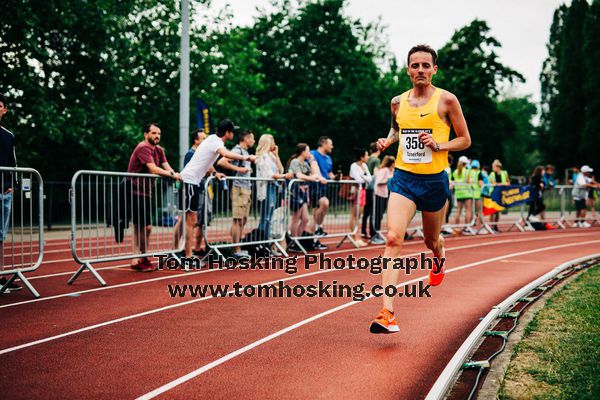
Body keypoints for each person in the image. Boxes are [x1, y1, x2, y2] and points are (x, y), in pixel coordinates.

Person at [370, 44, 471, 334]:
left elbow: (465, 139)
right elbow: (396, 129)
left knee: (430, 240)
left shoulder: (447, 100)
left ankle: (439, 257)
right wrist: (387, 141)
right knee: (392, 238)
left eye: (426, 66)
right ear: (408, 70)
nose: (420, 71)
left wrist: (440, 145)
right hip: (404, 179)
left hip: (434, 181)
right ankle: (387, 313)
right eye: (415, 66)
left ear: (434, 70)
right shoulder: (397, 102)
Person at [179, 119, 255, 258]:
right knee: (190, 221)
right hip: (189, 181)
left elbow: (206, 161)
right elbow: (226, 154)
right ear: (227, 132)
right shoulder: (216, 142)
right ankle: (187, 255)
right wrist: (248, 158)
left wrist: (215, 173)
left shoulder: (212, 140)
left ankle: (181, 252)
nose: (233, 134)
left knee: (187, 220)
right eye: (232, 131)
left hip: (192, 181)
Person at [127, 123, 181, 271]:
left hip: (146, 191)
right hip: (135, 190)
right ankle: (143, 257)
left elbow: (166, 166)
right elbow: (153, 168)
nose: (157, 136)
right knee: (147, 227)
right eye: (153, 133)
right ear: (146, 134)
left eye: (159, 133)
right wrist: (172, 175)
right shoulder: (143, 147)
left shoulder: (158, 150)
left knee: (139, 226)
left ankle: (136, 258)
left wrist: (176, 175)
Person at [217, 130, 255, 258]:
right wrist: (239, 169)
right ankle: (236, 248)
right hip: (238, 187)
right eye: (252, 139)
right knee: (238, 219)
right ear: (246, 138)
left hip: (246, 188)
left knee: (243, 219)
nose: (253, 141)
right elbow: (221, 162)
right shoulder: (237, 150)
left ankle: (236, 244)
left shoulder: (245, 152)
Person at [0, 93, 21, 292]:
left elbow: (12, 162)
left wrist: (11, 185)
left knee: (0, 235)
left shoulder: (8, 135)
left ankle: (0, 275)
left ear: (4, 110)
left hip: (3, 192)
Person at [174, 129, 207, 255]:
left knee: (186, 219)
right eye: (203, 139)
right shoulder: (190, 154)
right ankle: (181, 250)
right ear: (196, 140)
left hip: (196, 188)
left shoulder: (199, 153)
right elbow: (190, 172)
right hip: (190, 188)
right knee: (187, 220)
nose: (205, 141)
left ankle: (179, 249)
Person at [255, 134, 291, 244]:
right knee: (265, 217)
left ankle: (266, 243)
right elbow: (270, 174)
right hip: (266, 187)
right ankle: (262, 242)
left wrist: (277, 155)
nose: (275, 143)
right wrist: (285, 176)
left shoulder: (271, 156)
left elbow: (280, 170)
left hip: (273, 187)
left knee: (270, 217)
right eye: (273, 141)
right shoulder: (262, 157)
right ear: (267, 142)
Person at [286, 143, 320, 253]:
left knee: (305, 218)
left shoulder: (305, 163)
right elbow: (299, 175)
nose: (309, 153)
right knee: (296, 217)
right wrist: (311, 178)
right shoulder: (295, 162)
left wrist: (312, 161)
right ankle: (292, 241)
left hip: (303, 193)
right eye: (308, 151)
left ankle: (297, 240)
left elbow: (315, 174)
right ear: (302, 152)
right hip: (295, 192)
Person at [308, 136, 335, 238]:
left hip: (323, 187)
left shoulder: (328, 158)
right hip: (313, 186)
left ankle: (316, 232)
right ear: (324, 144)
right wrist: (316, 177)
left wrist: (336, 177)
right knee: (324, 203)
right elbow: (310, 169)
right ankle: (317, 228)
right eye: (330, 144)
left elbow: (329, 173)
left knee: (320, 208)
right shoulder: (312, 154)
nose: (332, 146)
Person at [349, 148, 371, 247]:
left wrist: (363, 177)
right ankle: (355, 237)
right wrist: (363, 177)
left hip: (362, 191)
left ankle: (357, 237)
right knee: (354, 214)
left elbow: (370, 179)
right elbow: (358, 180)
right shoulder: (354, 166)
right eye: (366, 155)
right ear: (361, 157)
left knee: (359, 215)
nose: (368, 157)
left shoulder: (364, 165)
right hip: (356, 191)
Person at [372, 155, 395, 244]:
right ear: (391, 163)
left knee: (380, 215)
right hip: (378, 194)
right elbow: (378, 182)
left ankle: (377, 233)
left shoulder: (390, 170)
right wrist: (388, 180)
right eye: (394, 163)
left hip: (385, 194)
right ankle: (374, 234)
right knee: (377, 215)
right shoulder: (384, 170)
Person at [363, 142, 381, 241]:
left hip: (366, 187)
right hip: (373, 187)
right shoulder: (376, 160)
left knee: (367, 211)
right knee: (373, 211)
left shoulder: (367, 159)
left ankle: (363, 231)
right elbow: (376, 174)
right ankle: (373, 233)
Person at [451, 155, 473, 235]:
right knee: (468, 210)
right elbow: (469, 181)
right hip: (467, 192)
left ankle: (457, 227)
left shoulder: (455, 172)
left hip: (459, 193)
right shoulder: (467, 171)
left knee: (458, 211)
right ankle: (467, 228)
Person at [488, 159, 510, 232]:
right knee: (492, 210)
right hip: (493, 193)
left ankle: (495, 226)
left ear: (498, 167)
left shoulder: (504, 173)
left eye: (493, 166)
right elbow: (493, 183)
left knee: (497, 210)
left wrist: (500, 184)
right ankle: (491, 226)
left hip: (501, 194)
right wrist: (502, 184)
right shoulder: (491, 174)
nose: (492, 168)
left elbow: (508, 183)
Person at [468, 159, 484, 229]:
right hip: (477, 194)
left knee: (471, 211)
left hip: (470, 194)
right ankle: (481, 227)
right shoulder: (479, 173)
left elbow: (468, 182)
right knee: (479, 211)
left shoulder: (469, 172)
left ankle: (470, 227)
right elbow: (481, 184)